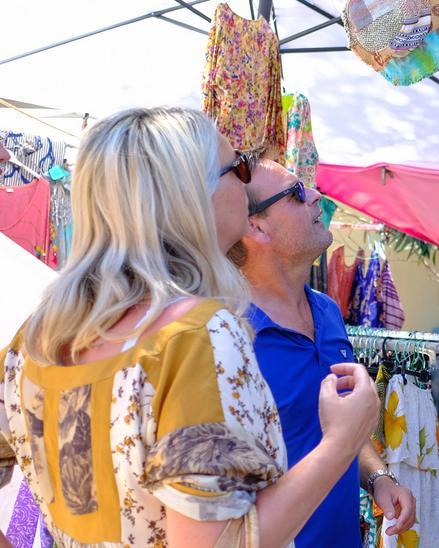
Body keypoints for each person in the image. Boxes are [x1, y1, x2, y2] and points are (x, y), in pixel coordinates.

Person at [0, 107, 378, 547]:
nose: (245, 179)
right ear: (191, 196)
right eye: (236, 167)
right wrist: (341, 441)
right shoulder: (197, 335)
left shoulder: (37, 339)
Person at [227, 160, 417, 547]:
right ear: (255, 227)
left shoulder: (328, 311)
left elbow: (341, 428)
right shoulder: (229, 337)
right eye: (296, 193)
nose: (316, 196)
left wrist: (378, 478)